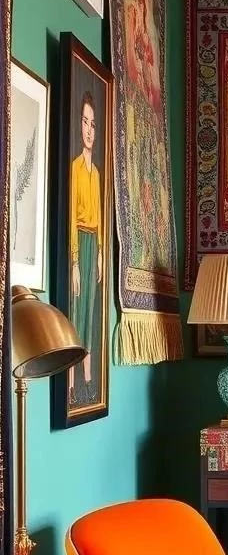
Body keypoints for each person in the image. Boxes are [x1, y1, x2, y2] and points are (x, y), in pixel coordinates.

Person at [69, 90, 102, 407]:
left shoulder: (97, 174)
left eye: (93, 123)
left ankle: (89, 380)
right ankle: (70, 385)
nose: (89, 130)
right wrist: (76, 262)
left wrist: (102, 251)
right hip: (79, 240)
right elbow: (71, 220)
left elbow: (100, 217)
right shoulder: (76, 168)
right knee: (77, 312)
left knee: (91, 311)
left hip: (95, 242)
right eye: (85, 122)